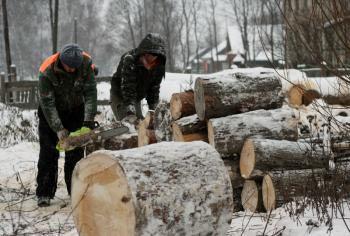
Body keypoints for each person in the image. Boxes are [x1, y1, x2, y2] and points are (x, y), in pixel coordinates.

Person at [36, 43, 97, 207]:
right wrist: (58, 128)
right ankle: (44, 192)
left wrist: (88, 121)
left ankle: (75, 190)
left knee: (75, 154)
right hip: (51, 112)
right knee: (48, 153)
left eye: (74, 67)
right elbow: (47, 104)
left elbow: (91, 93)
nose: (72, 70)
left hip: (76, 109)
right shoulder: (46, 72)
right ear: (62, 61)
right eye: (69, 67)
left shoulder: (85, 64)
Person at [110, 33, 166, 122]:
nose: (150, 60)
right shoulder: (129, 59)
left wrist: (153, 109)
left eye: (154, 57)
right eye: (148, 56)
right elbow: (128, 86)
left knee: (140, 122)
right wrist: (129, 109)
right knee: (127, 122)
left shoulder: (158, 66)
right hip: (120, 93)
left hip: (137, 96)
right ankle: (114, 119)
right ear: (143, 53)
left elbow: (154, 89)